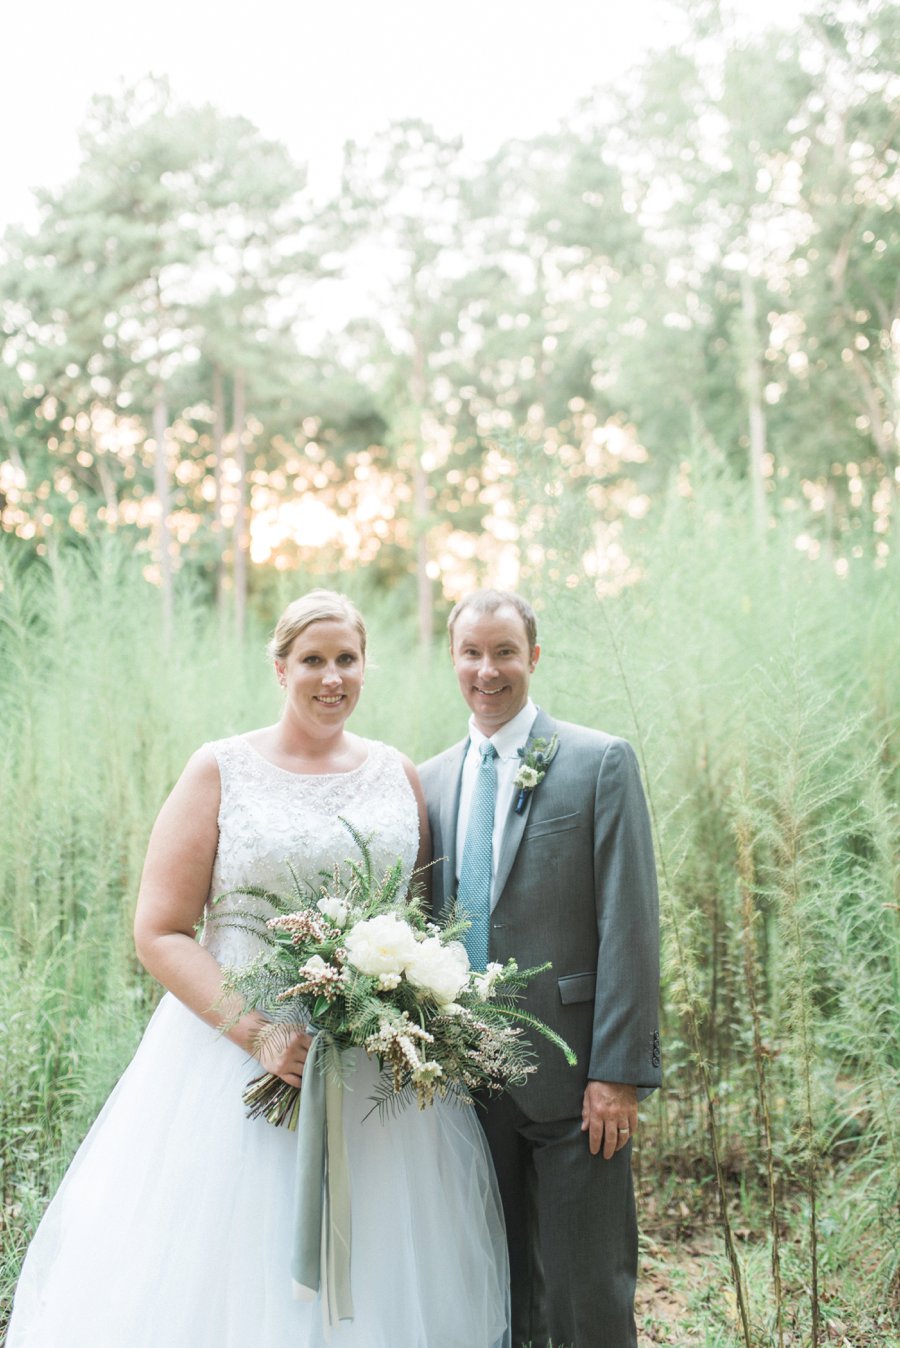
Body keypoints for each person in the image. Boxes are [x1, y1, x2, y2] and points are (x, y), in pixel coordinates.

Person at [7, 590, 509, 1348]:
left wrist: (394, 995)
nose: (331, 677)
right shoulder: (220, 770)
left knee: (381, 1262)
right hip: (232, 1060)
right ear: (280, 668)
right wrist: (260, 1035)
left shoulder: (397, 774)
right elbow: (161, 930)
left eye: (347, 660)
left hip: (371, 1074)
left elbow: (413, 922)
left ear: (365, 666)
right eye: (313, 660)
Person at [419, 589, 661, 1348]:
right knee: (494, 1291)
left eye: (504, 652)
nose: (487, 670)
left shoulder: (599, 762)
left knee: (588, 1295)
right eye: (471, 653)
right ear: (452, 658)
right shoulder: (426, 781)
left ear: (534, 657)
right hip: (464, 1085)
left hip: (575, 1079)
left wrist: (616, 1072)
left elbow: (631, 923)